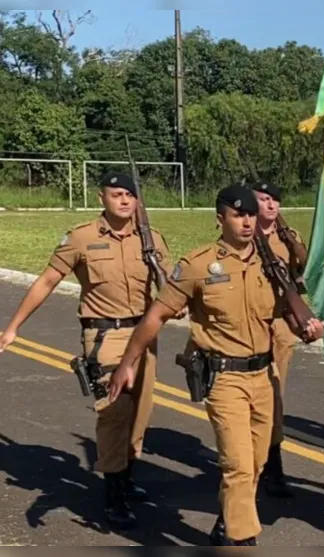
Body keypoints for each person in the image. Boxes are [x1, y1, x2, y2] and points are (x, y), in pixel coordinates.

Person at [106, 185, 324, 546]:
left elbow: (288, 314)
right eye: (239, 215)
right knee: (238, 466)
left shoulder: (272, 264)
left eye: (251, 215)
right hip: (224, 379)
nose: (247, 221)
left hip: (264, 376)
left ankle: (227, 523)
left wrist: (309, 329)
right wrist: (127, 363)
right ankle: (242, 541)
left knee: (254, 466)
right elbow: (156, 315)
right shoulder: (198, 264)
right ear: (220, 218)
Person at [0, 172, 173, 530]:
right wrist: (14, 326)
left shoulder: (152, 239)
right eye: (116, 194)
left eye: (130, 195)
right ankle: (113, 495)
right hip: (104, 337)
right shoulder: (82, 237)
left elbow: (172, 288)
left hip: (144, 335)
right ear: (101, 198)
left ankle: (125, 476)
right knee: (113, 411)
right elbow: (48, 280)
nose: (124, 201)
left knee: (139, 412)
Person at [250, 181, 308, 498]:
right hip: (252, 325)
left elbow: (302, 279)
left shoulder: (290, 238)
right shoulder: (243, 234)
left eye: (275, 200)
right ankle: (251, 462)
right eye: (264, 199)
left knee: (276, 396)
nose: (271, 205)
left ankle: (273, 461)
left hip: (281, 325)